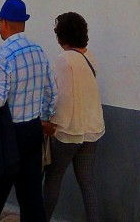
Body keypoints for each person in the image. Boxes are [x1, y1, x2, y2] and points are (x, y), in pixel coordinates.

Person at [0, 0, 57, 222]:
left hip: (8, 134)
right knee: (31, 197)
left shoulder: (4, 55)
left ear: (4, 23)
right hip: (33, 131)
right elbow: (52, 92)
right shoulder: (39, 51)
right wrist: (44, 118)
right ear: (23, 23)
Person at [42, 12, 105, 222]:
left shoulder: (64, 60)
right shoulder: (90, 57)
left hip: (68, 132)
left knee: (52, 179)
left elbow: (61, 97)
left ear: (62, 36)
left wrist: (52, 125)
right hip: (92, 129)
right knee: (87, 182)